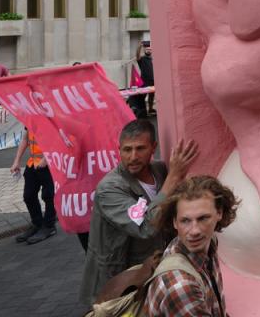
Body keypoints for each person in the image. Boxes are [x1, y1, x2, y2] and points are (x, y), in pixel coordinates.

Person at [80, 120, 199, 305]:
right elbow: (145, 227)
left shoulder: (160, 171)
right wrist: (174, 177)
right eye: (127, 150)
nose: (133, 156)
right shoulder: (109, 188)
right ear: (119, 149)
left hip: (150, 272)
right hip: (119, 282)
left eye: (140, 149)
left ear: (153, 147)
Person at [143, 175, 239, 317]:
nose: (194, 231)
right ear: (175, 222)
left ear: (219, 213)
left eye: (203, 218)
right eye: (185, 221)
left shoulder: (209, 242)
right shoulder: (181, 286)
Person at [9, 128, 57, 245]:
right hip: (33, 163)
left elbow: (59, 140)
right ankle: (37, 224)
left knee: (49, 196)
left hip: (49, 164)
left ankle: (49, 226)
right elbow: (26, 138)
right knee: (28, 196)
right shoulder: (30, 116)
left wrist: (46, 158)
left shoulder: (50, 116)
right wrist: (17, 161)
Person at [127, 41, 155, 118]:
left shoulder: (153, 59)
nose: (149, 50)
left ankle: (151, 109)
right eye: (147, 49)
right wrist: (140, 47)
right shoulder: (142, 59)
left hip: (153, 81)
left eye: (150, 49)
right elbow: (137, 55)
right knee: (142, 96)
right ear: (145, 50)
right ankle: (141, 110)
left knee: (152, 96)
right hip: (145, 81)